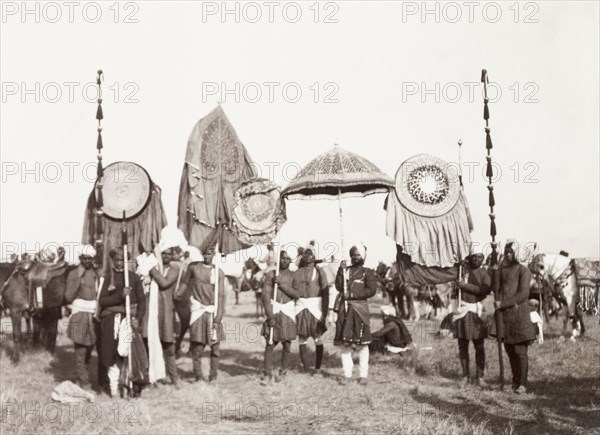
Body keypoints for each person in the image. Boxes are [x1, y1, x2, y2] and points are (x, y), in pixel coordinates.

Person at [98, 248, 146, 398]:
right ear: (112, 260)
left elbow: (142, 301)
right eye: (117, 259)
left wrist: (138, 318)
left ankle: (130, 387)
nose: (119, 263)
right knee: (111, 355)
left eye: (122, 260)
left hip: (129, 321)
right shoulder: (107, 278)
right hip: (111, 321)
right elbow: (102, 300)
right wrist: (120, 295)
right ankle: (113, 390)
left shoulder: (134, 278)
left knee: (129, 354)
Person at [492, 239, 537, 395]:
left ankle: (522, 383)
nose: (507, 255)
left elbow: (523, 294)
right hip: (505, 317)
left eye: (510, 252)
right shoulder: (502, 270)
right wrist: (494, 268)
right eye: (506, 252)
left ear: (516, 253)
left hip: (519, 315)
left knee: (520, 352)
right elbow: (496, 288)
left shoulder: (523, 271)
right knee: (510, 350)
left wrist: (503, 304)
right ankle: (515, 380)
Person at [179, 242, 225, 383]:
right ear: (201, 253)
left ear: (214, 254)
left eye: (210, 253)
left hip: (213, 311)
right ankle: (198, 376)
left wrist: (219, 316)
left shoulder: (218, 272)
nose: (207, 256)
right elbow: (185, 283)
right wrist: (178, 292)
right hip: (198, 311)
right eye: (205, 253)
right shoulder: (193, 268)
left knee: (215, 348)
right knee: (197, 347)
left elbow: (221, 295)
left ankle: (213, 375)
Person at [334, 243, 377, 385]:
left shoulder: (368, 272)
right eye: (353, 255)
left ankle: (363, 375)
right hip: (345, 310)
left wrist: (352, 294)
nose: (355, 257)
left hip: (360, 310)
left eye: (358, 255)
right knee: (345, 344)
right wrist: (340, 271)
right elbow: (339, 287)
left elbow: (371, 290)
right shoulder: (346, 271)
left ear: (363, 256)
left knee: (362, 345)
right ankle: (347, 374)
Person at [453, 248, 492, 387]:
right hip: (463, 310)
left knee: (479, 345)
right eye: (474, 257)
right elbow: (455, 292)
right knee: (462, 345)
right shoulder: (462, 271)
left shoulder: (484, 274)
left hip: (476, 312)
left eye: (480, 257)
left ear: (483, 258)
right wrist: (456, 286)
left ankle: (480, 376)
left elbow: (484, 290)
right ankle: (465, 375)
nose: (476, 259)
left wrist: (464, 285)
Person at [261, 250, 299, 383]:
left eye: (288, 259)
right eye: (283, 258)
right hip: (274, 311)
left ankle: (283, 371)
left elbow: (296, 294)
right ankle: (267, 373)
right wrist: (270, 315)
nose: (285, 261)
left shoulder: (294, 275)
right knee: (270, 343)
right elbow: (265, 296)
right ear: (278, 259)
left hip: (288, 312)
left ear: (291, 261)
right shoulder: (270, 274)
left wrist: (281, 284)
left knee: (287, 344)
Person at [64, 245, 99, 389]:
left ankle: (81, 377)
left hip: (94, 315)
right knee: (80, 350)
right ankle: (84, 382)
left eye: (90, 258)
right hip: (80, 315)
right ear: (80, 258)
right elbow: (68, 296)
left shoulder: (97, 273)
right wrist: (78, 278)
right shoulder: (73, 274)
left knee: (89, 350)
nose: (87, 261)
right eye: (84, 258)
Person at [147, 246, 181, 388]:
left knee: (169, 347)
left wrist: (153, 270)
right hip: (151, 313)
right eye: (163, 254)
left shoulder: (174, 270)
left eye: (169, 254)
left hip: (166, 313)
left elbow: (164, 283)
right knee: (150, 345)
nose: (166, 256)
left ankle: (174, 379)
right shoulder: (152, 267)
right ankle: (152, 377)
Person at [293, 247, 329, 374]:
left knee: (311, 338)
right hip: (302, 308)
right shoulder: (299, 273)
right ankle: (310, 368)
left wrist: (324, 312)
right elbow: (326, 293)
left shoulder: (318, 272)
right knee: (309, 338)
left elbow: (326, 293)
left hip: (313, 308)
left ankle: (312, 368)